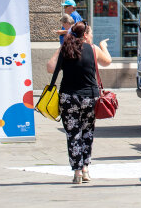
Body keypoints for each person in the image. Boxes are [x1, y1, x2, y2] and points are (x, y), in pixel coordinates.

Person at [45, 21, 112, 184]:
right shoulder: (93, 49)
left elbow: (49, 67)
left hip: (68, 97)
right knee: (87, 133)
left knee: (73, 135)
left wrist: (62, 47)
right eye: (91, 34)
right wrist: (103, 46)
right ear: (86, 35)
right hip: (90, 97)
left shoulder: (66, 49)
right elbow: (107, 61)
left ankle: (77, 172)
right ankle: (86, 169)